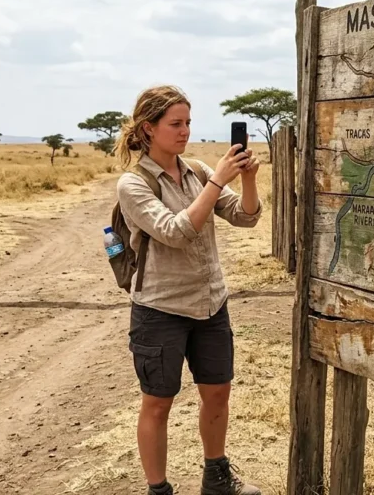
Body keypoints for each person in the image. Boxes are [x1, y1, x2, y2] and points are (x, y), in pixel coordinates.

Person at [114, 85, 262, 495]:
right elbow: (174, 232)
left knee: (217, 395)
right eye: (175, 123)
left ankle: (216, 478)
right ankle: (158, 489)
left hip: (211, 303)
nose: (184, 131)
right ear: (148, 128)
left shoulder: (196, 171)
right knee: (158, 403)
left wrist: (247, 180)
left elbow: (246, 217)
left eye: (188, 122)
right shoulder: (133, 184)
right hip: (161, 309)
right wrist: (217, 180)